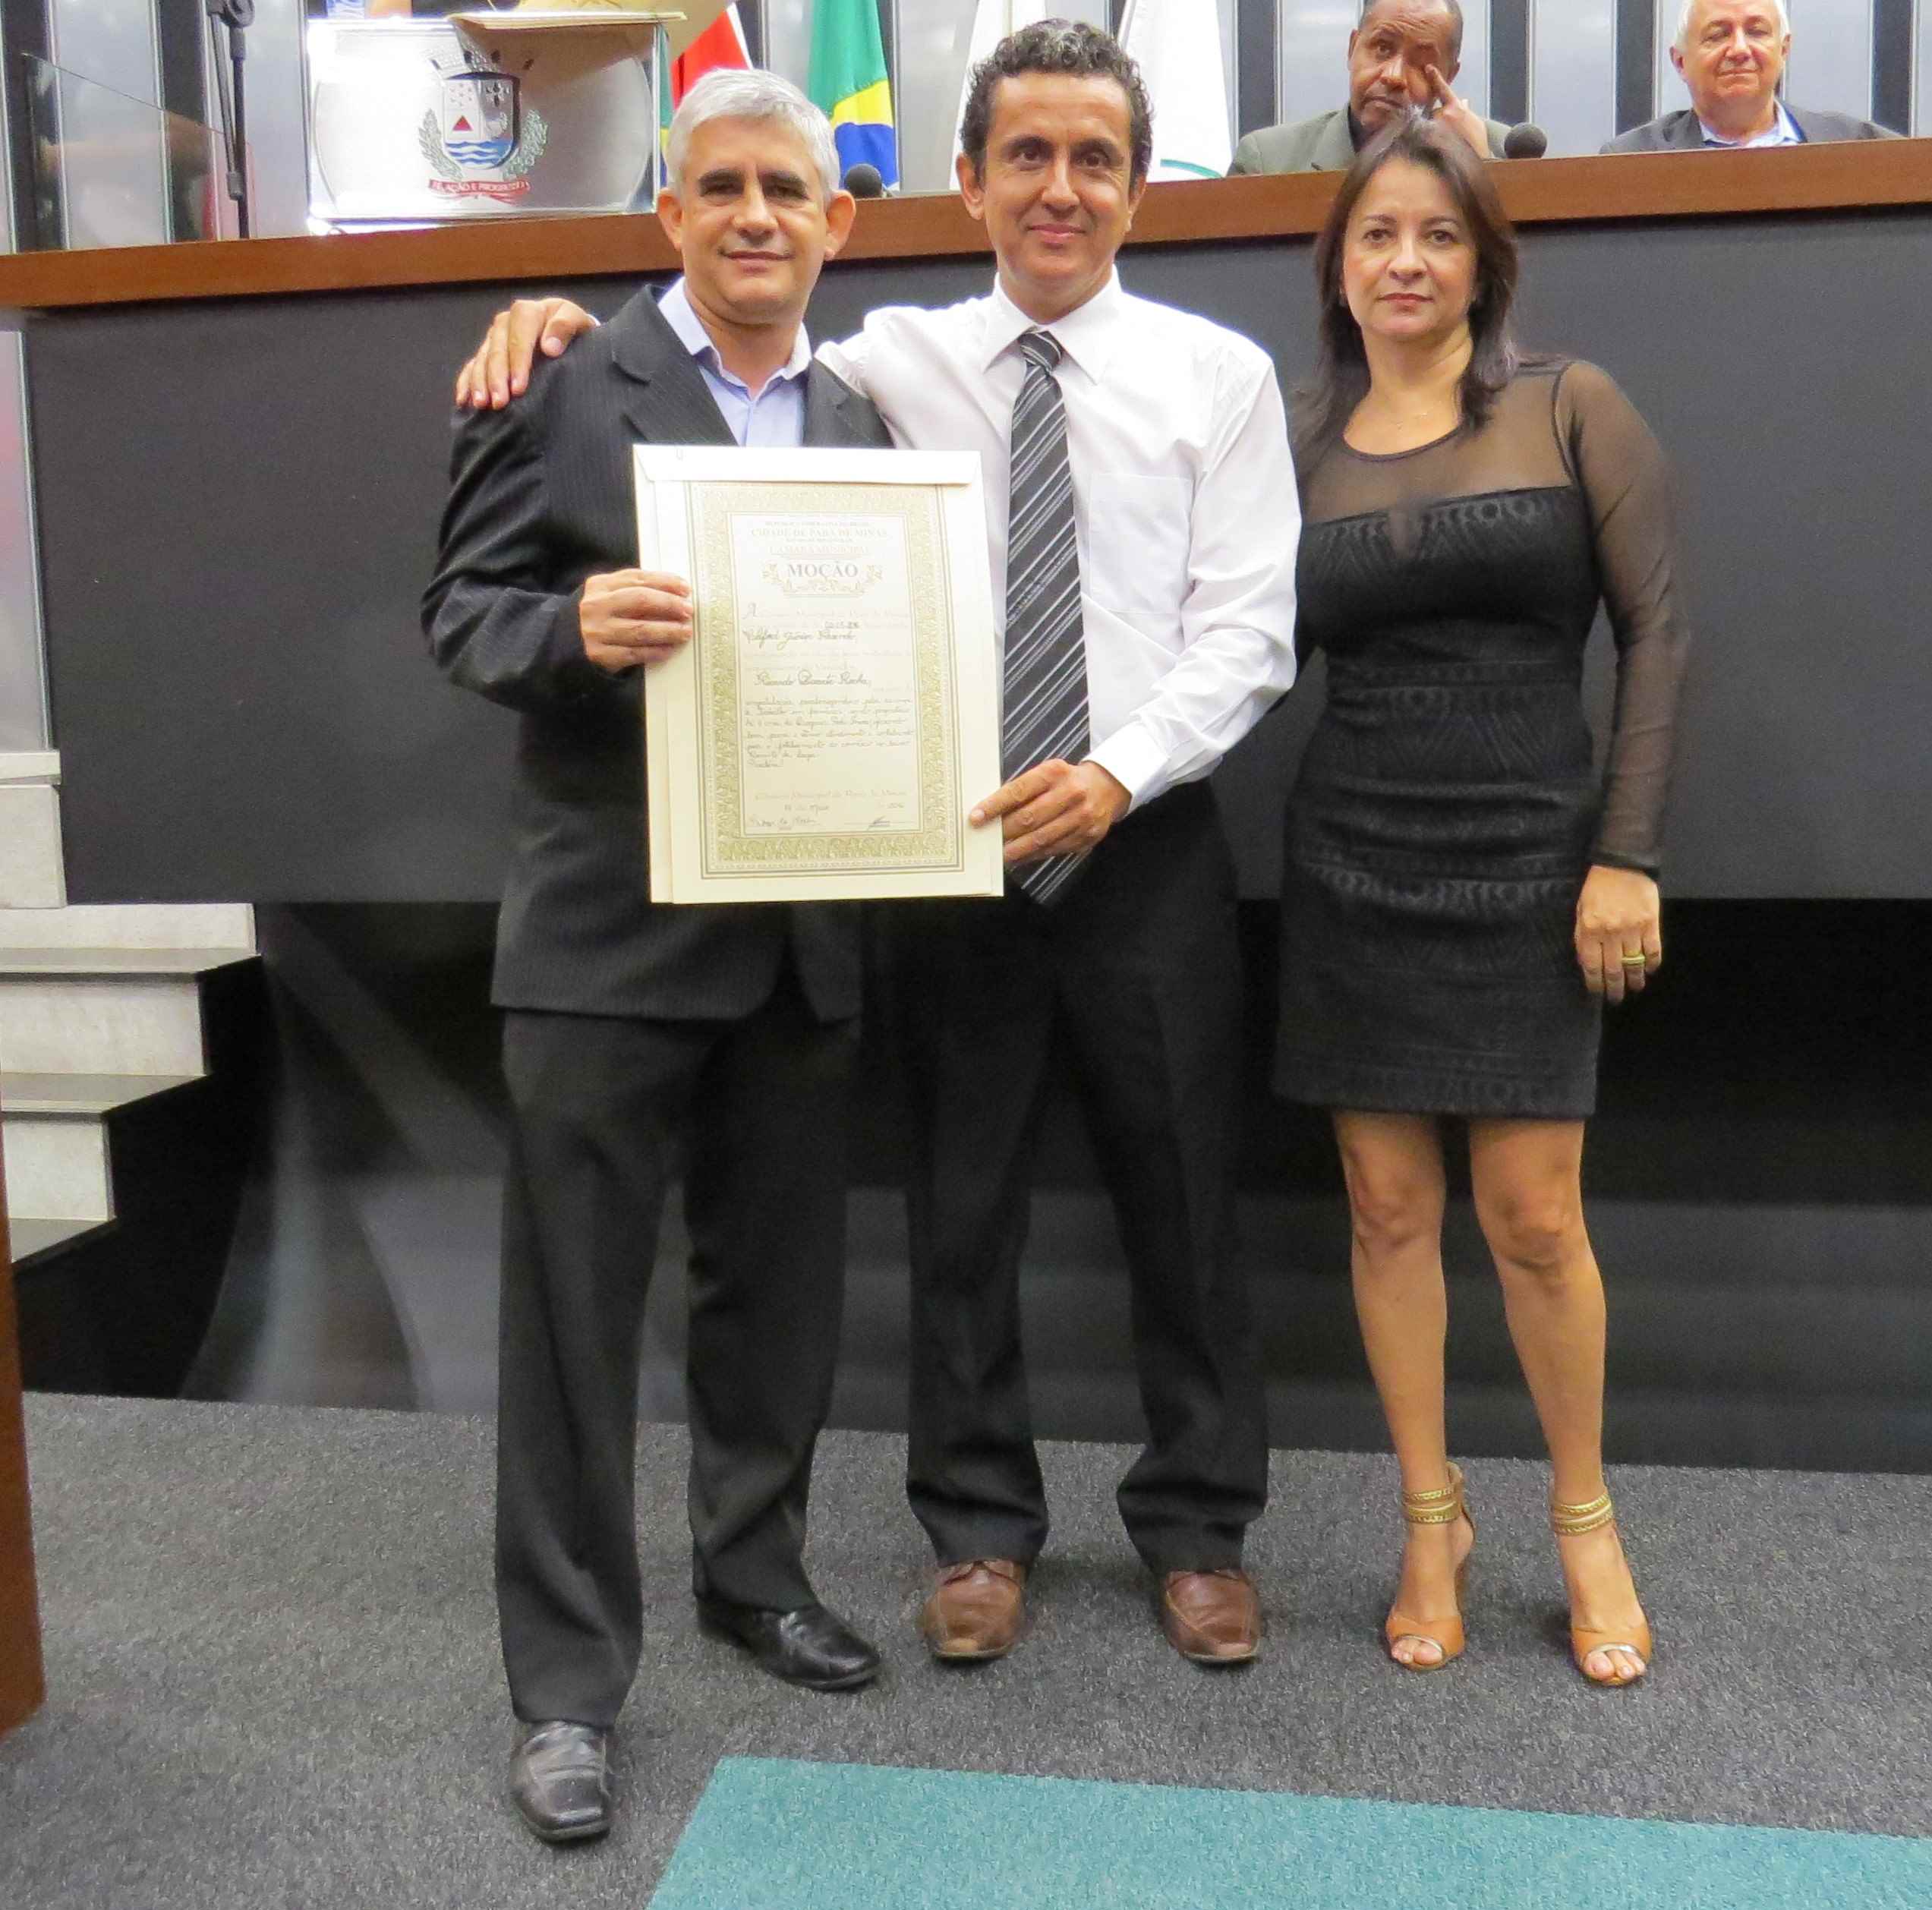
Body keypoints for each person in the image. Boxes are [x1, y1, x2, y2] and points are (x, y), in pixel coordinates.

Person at [454, 22, 1301, 1671]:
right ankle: (977, 1526)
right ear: (964, 180)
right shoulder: (884, 365)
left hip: (1146, 836)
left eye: (1097, 160)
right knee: (957, 1204)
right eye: (1027, 155)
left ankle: (1201, 1526)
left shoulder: (1221, 376)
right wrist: (546, 314)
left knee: (1186, 1201)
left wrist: (1117, 773)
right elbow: (710, 321)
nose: (1060, 189)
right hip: (946, 850)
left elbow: (1249, 629)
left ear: (1139, 187)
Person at [422, 71, 892, 1845]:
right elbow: (459, 611)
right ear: (670, 212)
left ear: (835, 223)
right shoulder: (555, 379)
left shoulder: (863, 420)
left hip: (799, 933)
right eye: (725, 184)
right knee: (570, 1322)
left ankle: (753, 1576)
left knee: (775, 1295)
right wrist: (570, 624)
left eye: (789, 188)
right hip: (603, 935)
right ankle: (564, 1688)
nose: (758, 214)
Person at [1280, 114, 1688, 1685]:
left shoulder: (1572, 403)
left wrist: (1626, 853)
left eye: (1438, 235)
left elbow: (1658, 635)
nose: (1406, 261)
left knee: (1534, 1218)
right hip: (1350, 859)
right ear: (1339, 264)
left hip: (1535, 864)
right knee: (1387, 1208)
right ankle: (1429, 1517)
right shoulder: (1295, 439)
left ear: (1483, 263)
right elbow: (1227, 638)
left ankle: (1584, 1518)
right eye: (1377, 234)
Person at [1228, 2, 1507, 175]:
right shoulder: (1268, 162)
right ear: (1352, 49)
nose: (1393, 76)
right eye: (1382, 48)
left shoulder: (1503, 151)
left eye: (1421, 63)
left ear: (1450, 76)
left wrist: (1481, 166)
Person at [1604, 1, 1899, 152]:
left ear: (1784, 50)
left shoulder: (1862, 147)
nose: (1739, 50)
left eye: (1756, 32)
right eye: (1718, 35)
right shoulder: (1630, 160)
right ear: (1680, 62)